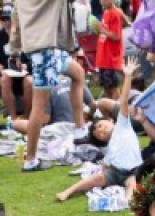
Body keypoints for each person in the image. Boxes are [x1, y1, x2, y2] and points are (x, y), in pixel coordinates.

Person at [53, 58, 140, 203]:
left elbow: (123, 100)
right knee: (95, 179)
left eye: (100, 125)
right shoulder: (109, 148)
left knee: (132, 184)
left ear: (109, 120)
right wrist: (104, 169)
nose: (101, 130)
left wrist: (128, 76)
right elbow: (106, 164)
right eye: (98, 134)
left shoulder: (123, 125)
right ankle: (67, 192)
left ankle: (127, 200)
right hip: (116, 172)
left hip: (132, 171)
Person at [10, 0, 81, 170]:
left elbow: (15, 26)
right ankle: (31, 160)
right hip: (46, 51)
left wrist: (14, 52)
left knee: (78, 73)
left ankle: (81, 129)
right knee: (39, 107)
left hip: (48, 50)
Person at [95, 0, 125, 92]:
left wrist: (102, 30)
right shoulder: (106, 12)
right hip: (103, 57)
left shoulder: (115, 14)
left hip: (111, 59)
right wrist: (98, 29)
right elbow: (105, 31)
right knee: (106, 87)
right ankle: (108, 105)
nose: (101, 2)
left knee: (113, 88)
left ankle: (117, 106)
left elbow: (116, 36)